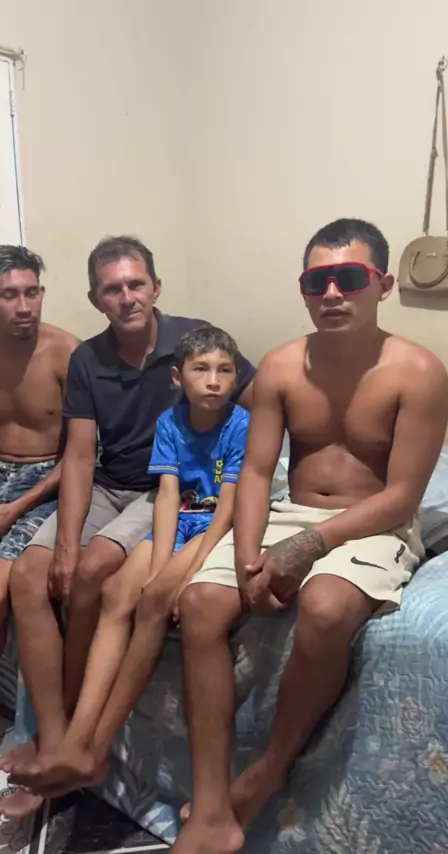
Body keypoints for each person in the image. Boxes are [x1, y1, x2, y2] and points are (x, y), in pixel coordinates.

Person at [170, 218, 448, 854]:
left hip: (373, 518)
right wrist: (248, 556)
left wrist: (308, 547)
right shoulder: (280, 366)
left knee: (324, 606)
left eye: (349, 278)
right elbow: (255, 471)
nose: (332, 294)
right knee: (201, 602)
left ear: (383, 286)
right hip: (290, 509)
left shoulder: (420, 371)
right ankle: (210, 804)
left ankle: (268, 770)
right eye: (316, 281)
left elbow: (403, 497)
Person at [0, 236, 255, 819]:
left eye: (137, 284)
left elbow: (258, 398)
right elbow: (79, 456)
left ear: (156, 287)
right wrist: (65, 540)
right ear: (96, 299)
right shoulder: (88, 359)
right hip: (108, 483)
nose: (127, 297)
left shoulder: (194, 342)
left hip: (158, 490)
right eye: (112, 289)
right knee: (29, 575)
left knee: (94, 573)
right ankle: (53, 734)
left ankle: (75, 738)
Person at [0, 244, 79, 759]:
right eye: (9, 295)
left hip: (48, 486)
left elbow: (82, 456)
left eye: (32, 292)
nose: (24, 306)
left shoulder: (67, 353)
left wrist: (14, 509)